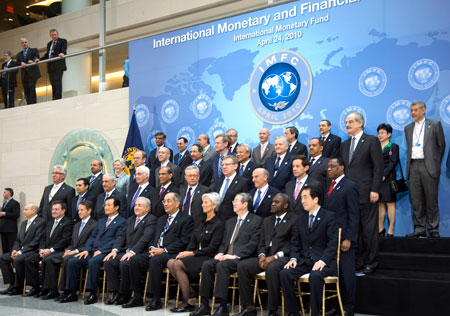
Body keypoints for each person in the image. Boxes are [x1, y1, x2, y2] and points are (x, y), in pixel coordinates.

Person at [191, 193, 262, 316]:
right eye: (233, 200)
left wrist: (235, 255)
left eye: (236, 201)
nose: (233, 203)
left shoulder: (256, 221)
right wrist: (220, 253)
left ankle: (223, 306)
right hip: (225, 256)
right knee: (207, 264)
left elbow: (253, 244)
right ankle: (204, 305)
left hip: (242, 258)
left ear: (245, 204)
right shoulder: (230, 222)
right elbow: (224, 242)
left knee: (222, 266)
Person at [127, 192, 194, 311]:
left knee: (155, 261)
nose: (165, 204)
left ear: (177, 203)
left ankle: (155, 299)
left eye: (169, 201)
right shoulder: (161, 219)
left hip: (172, 253)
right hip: (156, 251)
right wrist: (152, 248)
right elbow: (154, 237)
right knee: (134, 260)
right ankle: (137, 296)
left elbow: (184, 241)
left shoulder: (186, 219)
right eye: (164, 201)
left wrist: (164, 250)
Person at [280, 186, 338, 316]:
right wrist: (293, 259)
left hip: (324, 262)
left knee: (316, 276)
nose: (302, 201)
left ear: (316, 199)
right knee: (285, 273)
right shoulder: (300, 219)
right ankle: (293, 311)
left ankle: (315, 313)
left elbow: (333, 244)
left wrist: (323, 261)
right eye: (301, 198)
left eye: (305, 197)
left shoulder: (329, 217)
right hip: (305, 261)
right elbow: (295, 243)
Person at [236, 193, 296, 316]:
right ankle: (249, 307)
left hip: (284, 257)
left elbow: (292, 243)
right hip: (266, 256)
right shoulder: (267, 220)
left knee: (272, 267)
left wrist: (274, 257)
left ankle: (272, 310)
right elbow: (261, 241)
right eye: (272, 201)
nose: (273, 204)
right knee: (243, 266)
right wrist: (262, 255)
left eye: (277, 202)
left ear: (285, 205)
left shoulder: (294, 220)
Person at [167, 192, 224, 313]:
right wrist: (185, 252)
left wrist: (191, 254)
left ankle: (187, 301)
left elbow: (213, 248)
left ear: (214, 205)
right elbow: (192, 242)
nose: (203, 205)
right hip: (197, 255)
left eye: (206, 202)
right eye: (203, 202)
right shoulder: (200, 221)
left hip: (208, 256)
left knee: (177, 264)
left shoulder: (218, 224)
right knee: (171, 261)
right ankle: (192, 294)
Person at [340, 112, 383, 274]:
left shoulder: (371, 140)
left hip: (367, 193)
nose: (348, 125)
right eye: (346, 122)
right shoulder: (344, 145)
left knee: (369, 230)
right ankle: (358, 261)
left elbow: (378, 167)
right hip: (349, 195)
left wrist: (375, 189)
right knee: (354, 230)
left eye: (351, 122)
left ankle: (372, 262)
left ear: (360, 123)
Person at [65, 197, 126, 305]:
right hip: (93, 251)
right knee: (73, 261)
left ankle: (92, 293)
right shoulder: (101, 221)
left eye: (109, 205)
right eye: (105, 205)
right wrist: (87, 250)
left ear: (116, 207)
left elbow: (117, 240)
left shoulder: (122, 221)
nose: (106, 207)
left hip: (107, 252)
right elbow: (92, 237)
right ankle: (71, 292)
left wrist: (102, 250)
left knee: (93, 262)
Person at [103, 197, 157, 306]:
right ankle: (118, 293)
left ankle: (131, 295)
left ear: (147, 208)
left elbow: (145, 238)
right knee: (109, 261)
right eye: (135, 205)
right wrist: (114, 250)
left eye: (139, 205)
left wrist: (132, 252)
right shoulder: (130, 219)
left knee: (126, 263)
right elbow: (121, 236)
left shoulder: (151, 219)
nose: (136, 207)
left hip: (142, 253)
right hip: (127, 252)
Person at [323, 158, 360, 316]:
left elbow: (354, 214)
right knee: (334, 274)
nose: (329, 169)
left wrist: (349, 238)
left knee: (346, 276)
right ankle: (335, 306)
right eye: (328, 167)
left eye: (333, 166)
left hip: (344, 238)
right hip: (331, 238)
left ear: (342, 168)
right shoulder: (329, 186)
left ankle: (348, 307)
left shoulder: (350, 186)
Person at [405, 101, 446, 238]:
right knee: (416, 201)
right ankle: (419, 229)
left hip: (428, 166)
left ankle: (433, 229)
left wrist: (434, 163)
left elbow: (441, 146)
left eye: (416, 110)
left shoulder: (434, 124)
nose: (413, 113)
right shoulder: (408, 128)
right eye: (411, 110)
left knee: (431, 200)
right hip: (413, 166)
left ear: (423, 110)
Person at [24, 200, 73, 299]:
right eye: (52, 209)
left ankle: (52, 290)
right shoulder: (50, 222)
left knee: (48, 260)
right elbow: (43, 238)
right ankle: (36, 287)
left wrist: (50, 250)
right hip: (45, 251)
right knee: (29, 259)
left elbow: (65, 240)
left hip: (58, 251)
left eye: (56, 209)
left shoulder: (68, 223)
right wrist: (42, 249)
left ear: (63, 211)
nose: (53, 211)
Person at [0, 203, 45, 296]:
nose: (24, 211)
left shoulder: (41, 222)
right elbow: (18, 240)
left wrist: (20, 252)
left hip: (32, 251)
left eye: (26, 209)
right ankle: (12, 284)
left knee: (18, 259)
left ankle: (20, 287)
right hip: (20, 251)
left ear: (33, 211)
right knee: (3, 258)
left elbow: (36, 241)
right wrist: (14, 250)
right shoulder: (24, 223)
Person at [58, 200, 97, 303]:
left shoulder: (94, 225)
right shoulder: (76, 225)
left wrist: (75, 251)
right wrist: (69, 250)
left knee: (72, 261)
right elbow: (72, 242)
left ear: (89, 211)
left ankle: (72, 292)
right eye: (78, 210)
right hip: (75, 252)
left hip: (88, 253)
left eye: (82, 210)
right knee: (66, 258)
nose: (79, 212)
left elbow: (91, 243)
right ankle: (66, 290)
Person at [377, 124, 399, 237]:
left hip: (389, 178)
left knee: (390, 203)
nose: (380, 135)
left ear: (389, 134)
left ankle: (390, 229)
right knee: (380, 204)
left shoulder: (393, 146)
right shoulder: (375, 146)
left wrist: (384, 174)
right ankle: (381, 229)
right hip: (377, 178)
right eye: (379, 133)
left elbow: (393, 162)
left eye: (382, 133)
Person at [214, 155, 251, 221]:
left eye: (227, 164)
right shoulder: (218, 182)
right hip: (218, 220)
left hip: (233, 220)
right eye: (222, 165)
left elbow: (245, 204)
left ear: (235, 166)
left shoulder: (243, 182)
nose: (224, 167)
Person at [38, 29, 67, 100]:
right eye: (52, 35)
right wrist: (39, 59)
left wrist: (62, 53)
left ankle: (58, 97)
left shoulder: (63, 41)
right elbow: (47, 55)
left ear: (58, 34)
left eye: (55, 34)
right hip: (51, 65)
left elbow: (64, 49)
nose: (54, 36)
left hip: (58, 64)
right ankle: (54, 97)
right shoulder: (49, 44)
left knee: (57, 80)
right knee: (52, 82)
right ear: (50, 35)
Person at [16, 38, 40, 104]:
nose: (24, 44)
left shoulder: (34, 50)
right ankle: (28, 103)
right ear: (21, 44)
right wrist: (21, 63)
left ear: (28, 43)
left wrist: (34, 60)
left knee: (32, 87)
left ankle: (33, 103)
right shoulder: (19, 54)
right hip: (24, 75)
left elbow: (36, 56)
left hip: (32, 73)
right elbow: (17, 63)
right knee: (26, 89)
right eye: (23, 42)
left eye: (25, 42)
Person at [0, 188, 20, 254]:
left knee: (12, 247)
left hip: (10, 229)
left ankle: (13, 263)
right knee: (4, 248)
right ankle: (5, 263)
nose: (3, 193)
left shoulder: (15, 203)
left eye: (4, 192)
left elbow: (16, 214)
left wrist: (4, 213)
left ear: (9, 193)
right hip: (3, 229)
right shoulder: (4, 203)